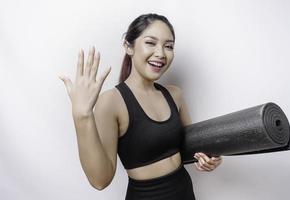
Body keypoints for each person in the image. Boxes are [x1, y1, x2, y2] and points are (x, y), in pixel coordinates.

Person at [60, 13, 222, 200]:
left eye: (168, 46)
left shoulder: (175, 94)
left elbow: (191, 148)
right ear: (128, 46)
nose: (161, 53)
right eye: (151, 43)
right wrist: (82, 116)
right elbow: (100, 180)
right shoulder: (111, 101)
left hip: (184, 192)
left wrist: (208, 157)